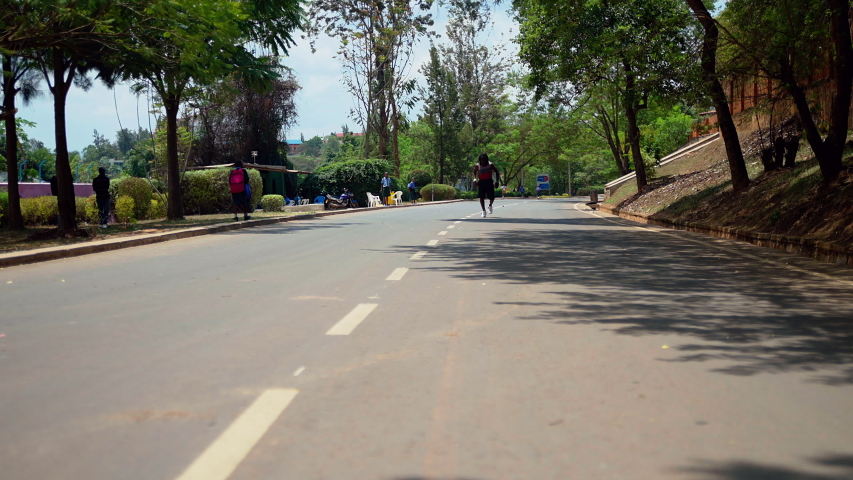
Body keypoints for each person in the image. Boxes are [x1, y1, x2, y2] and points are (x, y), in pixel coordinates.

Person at [472, 153, 501, 218]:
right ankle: (483, 211)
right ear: (480, 160)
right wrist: (475, 179)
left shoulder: (490, 165)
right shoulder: (477, 165)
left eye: (484, 159)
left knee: (492, 197)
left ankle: (490, 205)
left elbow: (497, 172)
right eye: (481, 159)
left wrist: (497, 181)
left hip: (489, 181)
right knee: (481, 197)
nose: (483, 161)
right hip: (481, 182)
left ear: (486, 159)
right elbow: (474, 172)